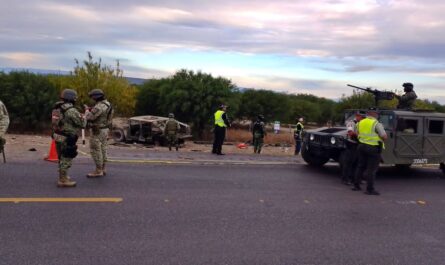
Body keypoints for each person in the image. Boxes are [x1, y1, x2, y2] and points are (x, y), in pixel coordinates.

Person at [52, 89, 85, 187]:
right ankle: (63, 180)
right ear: (71, 98)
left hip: (57, 135)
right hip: (67, 136)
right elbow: (82, 124)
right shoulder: (71, 110)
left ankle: (63, 175)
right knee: (66, 157)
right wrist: (84, 116)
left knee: (61, 156)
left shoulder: (57, 108)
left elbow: (55, 122)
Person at [352, 108, 387, 195]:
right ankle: (369, 189)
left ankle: (356, 186)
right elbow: (384, 136)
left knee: (360, 166)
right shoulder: (376, 123)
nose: (378, 115)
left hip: (361, 146)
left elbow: (356, 133)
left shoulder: (360, 122)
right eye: (377, 114)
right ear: (374, 114)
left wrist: (364, 138)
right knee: (371, 170)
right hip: (373, 148)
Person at [85, 88, 113, 178]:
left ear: (96, 97)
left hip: (97, 131)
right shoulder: (108, 104)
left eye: (92, 97)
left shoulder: (99, 106)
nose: (92, 99)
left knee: (96, 150)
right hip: (105, 130)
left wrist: (87, 111)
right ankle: (103, 168)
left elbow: (90, 117)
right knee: (103, 149)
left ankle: (98, 170)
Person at [341, 111, 365, 185]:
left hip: (358, 144)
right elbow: (350, 133)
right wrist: (360, 135)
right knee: (348, 162)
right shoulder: (351, 123)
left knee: (357, 162)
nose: (363, 119)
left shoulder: (360, 123)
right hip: (351, 144)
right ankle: (345, 179)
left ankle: (355, 179)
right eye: (362, 117)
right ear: (357, 116)